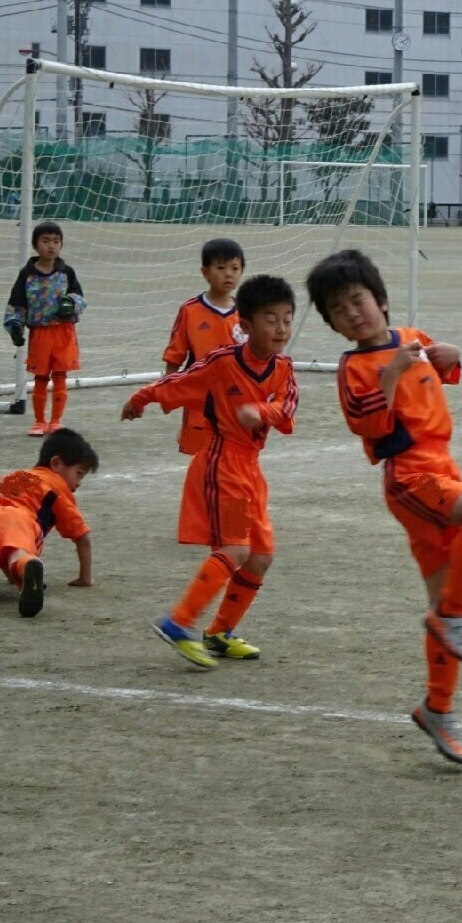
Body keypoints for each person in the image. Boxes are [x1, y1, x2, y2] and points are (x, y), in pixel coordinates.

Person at [305, 249, 462, 765]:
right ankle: (453, 622)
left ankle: (438, 708)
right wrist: (390, 372)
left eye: (358, 300)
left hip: (442, 467)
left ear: (381, 301)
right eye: (339, 310)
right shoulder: (353, 368)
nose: (353, 313)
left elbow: (444, 369)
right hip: (409, 477)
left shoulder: (412, 339)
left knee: (441, 596)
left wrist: (450, 355)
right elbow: (368, 426)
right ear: (331, 324)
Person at [121, 275, 298, 670]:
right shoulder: (223, 363)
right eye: (271, 319)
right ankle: (178, 622)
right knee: (235, 549)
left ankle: (219, 633)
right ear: (246, 326)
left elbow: (286, 411)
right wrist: (141, 398)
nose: (281, 328)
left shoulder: (284, 368)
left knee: (261, 557)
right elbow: (182, 381)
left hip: (252, 470)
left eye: (287, 318)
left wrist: (262, 411)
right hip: (225, 464)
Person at [0, 428, 97, 619]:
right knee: (18, 554)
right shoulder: (56, 486)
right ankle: (26, 566)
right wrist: (85, 577)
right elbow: (82, 536)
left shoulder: (18, 476)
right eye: (78, 473)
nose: (79, 482)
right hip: (18, 519)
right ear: (56, 463)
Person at [161, 238, 248, 455]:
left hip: (235, 401)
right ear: (205, 272)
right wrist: (167, 391)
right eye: (221, 268)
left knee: (231, 457)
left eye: (235, 268)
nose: (228, 273)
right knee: (197, 458)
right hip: (198, 400)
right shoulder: (190, 311)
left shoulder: (246, 313)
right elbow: (175, 356)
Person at [4, 221, 87, 436]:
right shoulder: (27, 274)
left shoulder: (66, 272)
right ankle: (39, 421)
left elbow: (79, 297)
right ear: (35, 244)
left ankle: (56, 421)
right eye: (45, 241)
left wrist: (72, 305)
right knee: (40, 376)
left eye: (56, 241)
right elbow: (17, 302)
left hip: (63, 332)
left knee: (60, 375)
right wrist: (15, 325)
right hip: (40, 333)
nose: (51, 246)